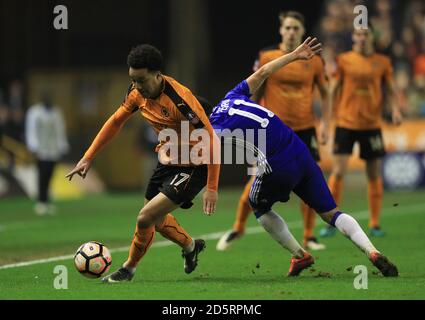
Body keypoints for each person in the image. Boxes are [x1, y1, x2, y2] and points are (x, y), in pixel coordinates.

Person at [209, 37, 398, 277]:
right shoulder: (232, 95)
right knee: (331, 213)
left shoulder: (212, 126)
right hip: (301, 153)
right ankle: (372, 251)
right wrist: (295, 55)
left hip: (277, 164)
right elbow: (264, 71)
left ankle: (300, 255)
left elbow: (205, 154)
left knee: (257, 204)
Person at [66, 44, 220, 283]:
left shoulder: (182, 102)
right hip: (167, 161)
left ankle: (128, 269)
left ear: (158, 75)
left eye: (141, 80)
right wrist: (88, 156)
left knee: (144, 217)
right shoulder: (136, 93)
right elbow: (116, 122)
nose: (136, 85)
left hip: (194, 166)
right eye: (133, 79)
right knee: (156, 221)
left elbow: (211, 142)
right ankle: (191, 246)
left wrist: (211, 188)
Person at [217, 11, 331, 252]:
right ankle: (238, 227)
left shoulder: (315, 61)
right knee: (255, 180)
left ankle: (309, 235)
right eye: (287, 28)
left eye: (296, 28)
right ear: (281, 30)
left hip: (305, 127)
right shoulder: (267, 56)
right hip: (272, 132)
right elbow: (254, 90)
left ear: (302, 31)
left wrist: (326, 125)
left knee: (310, 180)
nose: (291, 32)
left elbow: (326, 92)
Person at [320, 26, 403, 238]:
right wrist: (326, 122)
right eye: (358, 34)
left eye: (366, 34)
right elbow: (333, 89)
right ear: (353, 37)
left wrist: (394, 110)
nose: (362, 38)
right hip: (345, 123)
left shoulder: (382, 62)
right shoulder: (344, 60)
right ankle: (331, 220)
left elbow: (391, 89)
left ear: (371, 37)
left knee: (373, 174)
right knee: (338, 172)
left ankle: (375, 224)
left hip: (371, 125)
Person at [25, 92, 69, 215]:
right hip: (41, 150)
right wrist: (33, 146)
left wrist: (62, 146)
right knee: (42, 175)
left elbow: (60, 130)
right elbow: (31, 130)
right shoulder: (35, 112)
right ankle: (41, 201)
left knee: (50, 175)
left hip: (53, 149)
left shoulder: (56, 112)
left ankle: (47, 200)